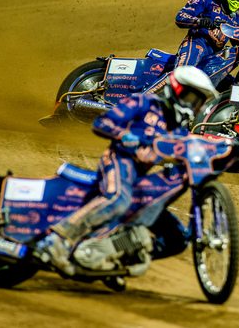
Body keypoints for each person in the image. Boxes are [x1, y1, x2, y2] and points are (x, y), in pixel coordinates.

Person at [39, 67, 218, 275]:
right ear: (174, 90)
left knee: (176, 240)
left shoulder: (177, 130)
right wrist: (123, 134)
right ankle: (56, 240)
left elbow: (191, 148)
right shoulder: (144, 103)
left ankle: (118, 258)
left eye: (196, 102)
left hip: (139, 179)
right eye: (189, 97)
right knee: (118, 199)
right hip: (119, 160)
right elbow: (102, 122)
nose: (191, 106)